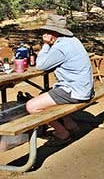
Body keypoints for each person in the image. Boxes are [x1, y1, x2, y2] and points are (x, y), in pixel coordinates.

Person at [25, 14, 94, 147]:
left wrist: (45, 45)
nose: (44, 34)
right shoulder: (73, 41)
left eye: (47, 32)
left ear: (54, 33)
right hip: (83, 87)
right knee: (45, 94)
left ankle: (62, 133)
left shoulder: (60, 47)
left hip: (75, 91)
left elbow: (40, 65)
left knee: (31, 106)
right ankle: (71, 126)